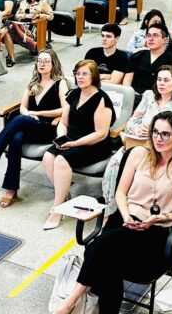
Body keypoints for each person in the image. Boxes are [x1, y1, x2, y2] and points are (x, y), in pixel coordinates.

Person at [51, 112, 172, 314]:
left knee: (99, 250)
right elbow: (121, 192)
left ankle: (69, 303)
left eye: (165, 134)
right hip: (125, 218)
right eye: (155, 132)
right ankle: (74, 305)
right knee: (108, 259)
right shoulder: (138, 154)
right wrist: (126, 214)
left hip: (155, 229)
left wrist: (163, 217)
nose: (158, 138)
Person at [0, 49, 68, 207]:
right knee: (16, 138)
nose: (42, 64)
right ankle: (11, 189)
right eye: (39, 61)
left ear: (53, 64)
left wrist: (37, 113)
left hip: (48, 127)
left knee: (19, 120)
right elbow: (23, 107)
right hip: (28, 124)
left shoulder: (60, 83)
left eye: (46, 61)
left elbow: (65, 110)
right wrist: (28, 115)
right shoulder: (32, 82)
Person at [103, 66, 172, 215]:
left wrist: (160, 133)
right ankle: (114, 210)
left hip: (165, 150)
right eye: (159, 79)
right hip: (139, 146)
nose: (161, 83)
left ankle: (144, 209)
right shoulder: (149, 97)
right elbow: (132, 121)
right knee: (115, 163)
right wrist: (139, 128)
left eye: (166, 80)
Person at [42, 60, 115, 230]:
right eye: (77, 73)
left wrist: (74, 144)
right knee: (47, 157)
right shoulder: (73, 94)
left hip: (94, 144)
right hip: (71, 139)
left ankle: (57, 209)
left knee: (60, 160)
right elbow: (63, 122)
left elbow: (101, 133)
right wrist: (62, 137)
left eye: (84, 74)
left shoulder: (101, 99)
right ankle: (64, 193)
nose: (80, 77)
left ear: (94, 76)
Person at [123, 23, 172, 95]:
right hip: (135, 95)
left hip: (158, 98)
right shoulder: (137, 56)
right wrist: (129, 94)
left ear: (164, 40)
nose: (151, 39)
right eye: (148, 35)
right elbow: (127, 80)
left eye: (155, 35)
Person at [3, 0, 53, 64]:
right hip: (21, 26)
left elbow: (51, 16)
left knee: (7, 25)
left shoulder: (42, 2)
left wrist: (38, 15)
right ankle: (12, 58)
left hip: (32, 31)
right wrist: (26, 15)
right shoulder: (23, 2)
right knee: (7, 29)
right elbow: (16, 16)